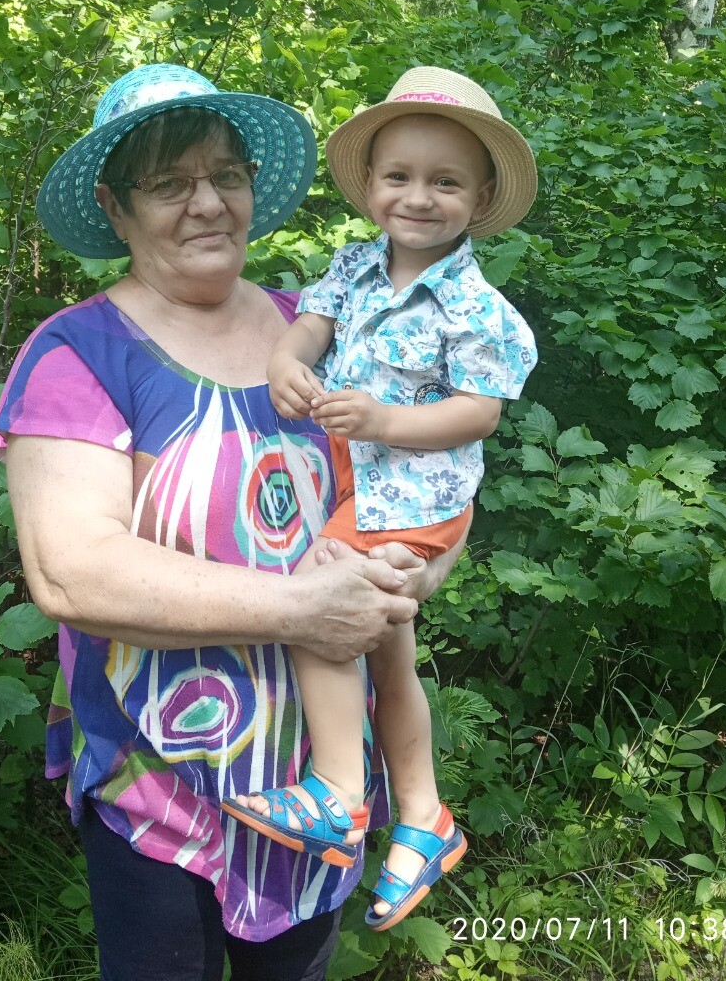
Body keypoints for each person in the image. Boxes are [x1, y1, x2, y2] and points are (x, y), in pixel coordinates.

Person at [0, 62, 466, 981]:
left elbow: (426, 478)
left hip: (320, 788)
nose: (206, 203)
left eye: (225, 176)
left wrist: (418, 571)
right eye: (169, 184)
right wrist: (303, 609)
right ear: (116, 207)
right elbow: (72, 570)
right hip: (159, 792)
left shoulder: (316, 330)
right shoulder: (79, 354)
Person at [223, 66, 538, 930]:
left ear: (480, 199)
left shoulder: (474, 305)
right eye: (400, 176)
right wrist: (285, 363)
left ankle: (336, 790)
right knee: (389, 652)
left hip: (417, 494)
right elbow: (306, 330)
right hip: (359, 484)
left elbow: (480, 412)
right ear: (370, 186)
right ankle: (424, 817)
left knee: (322, 593)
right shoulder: (356, 268)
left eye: (446, 182)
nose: (419, 197)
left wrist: (386, 420)